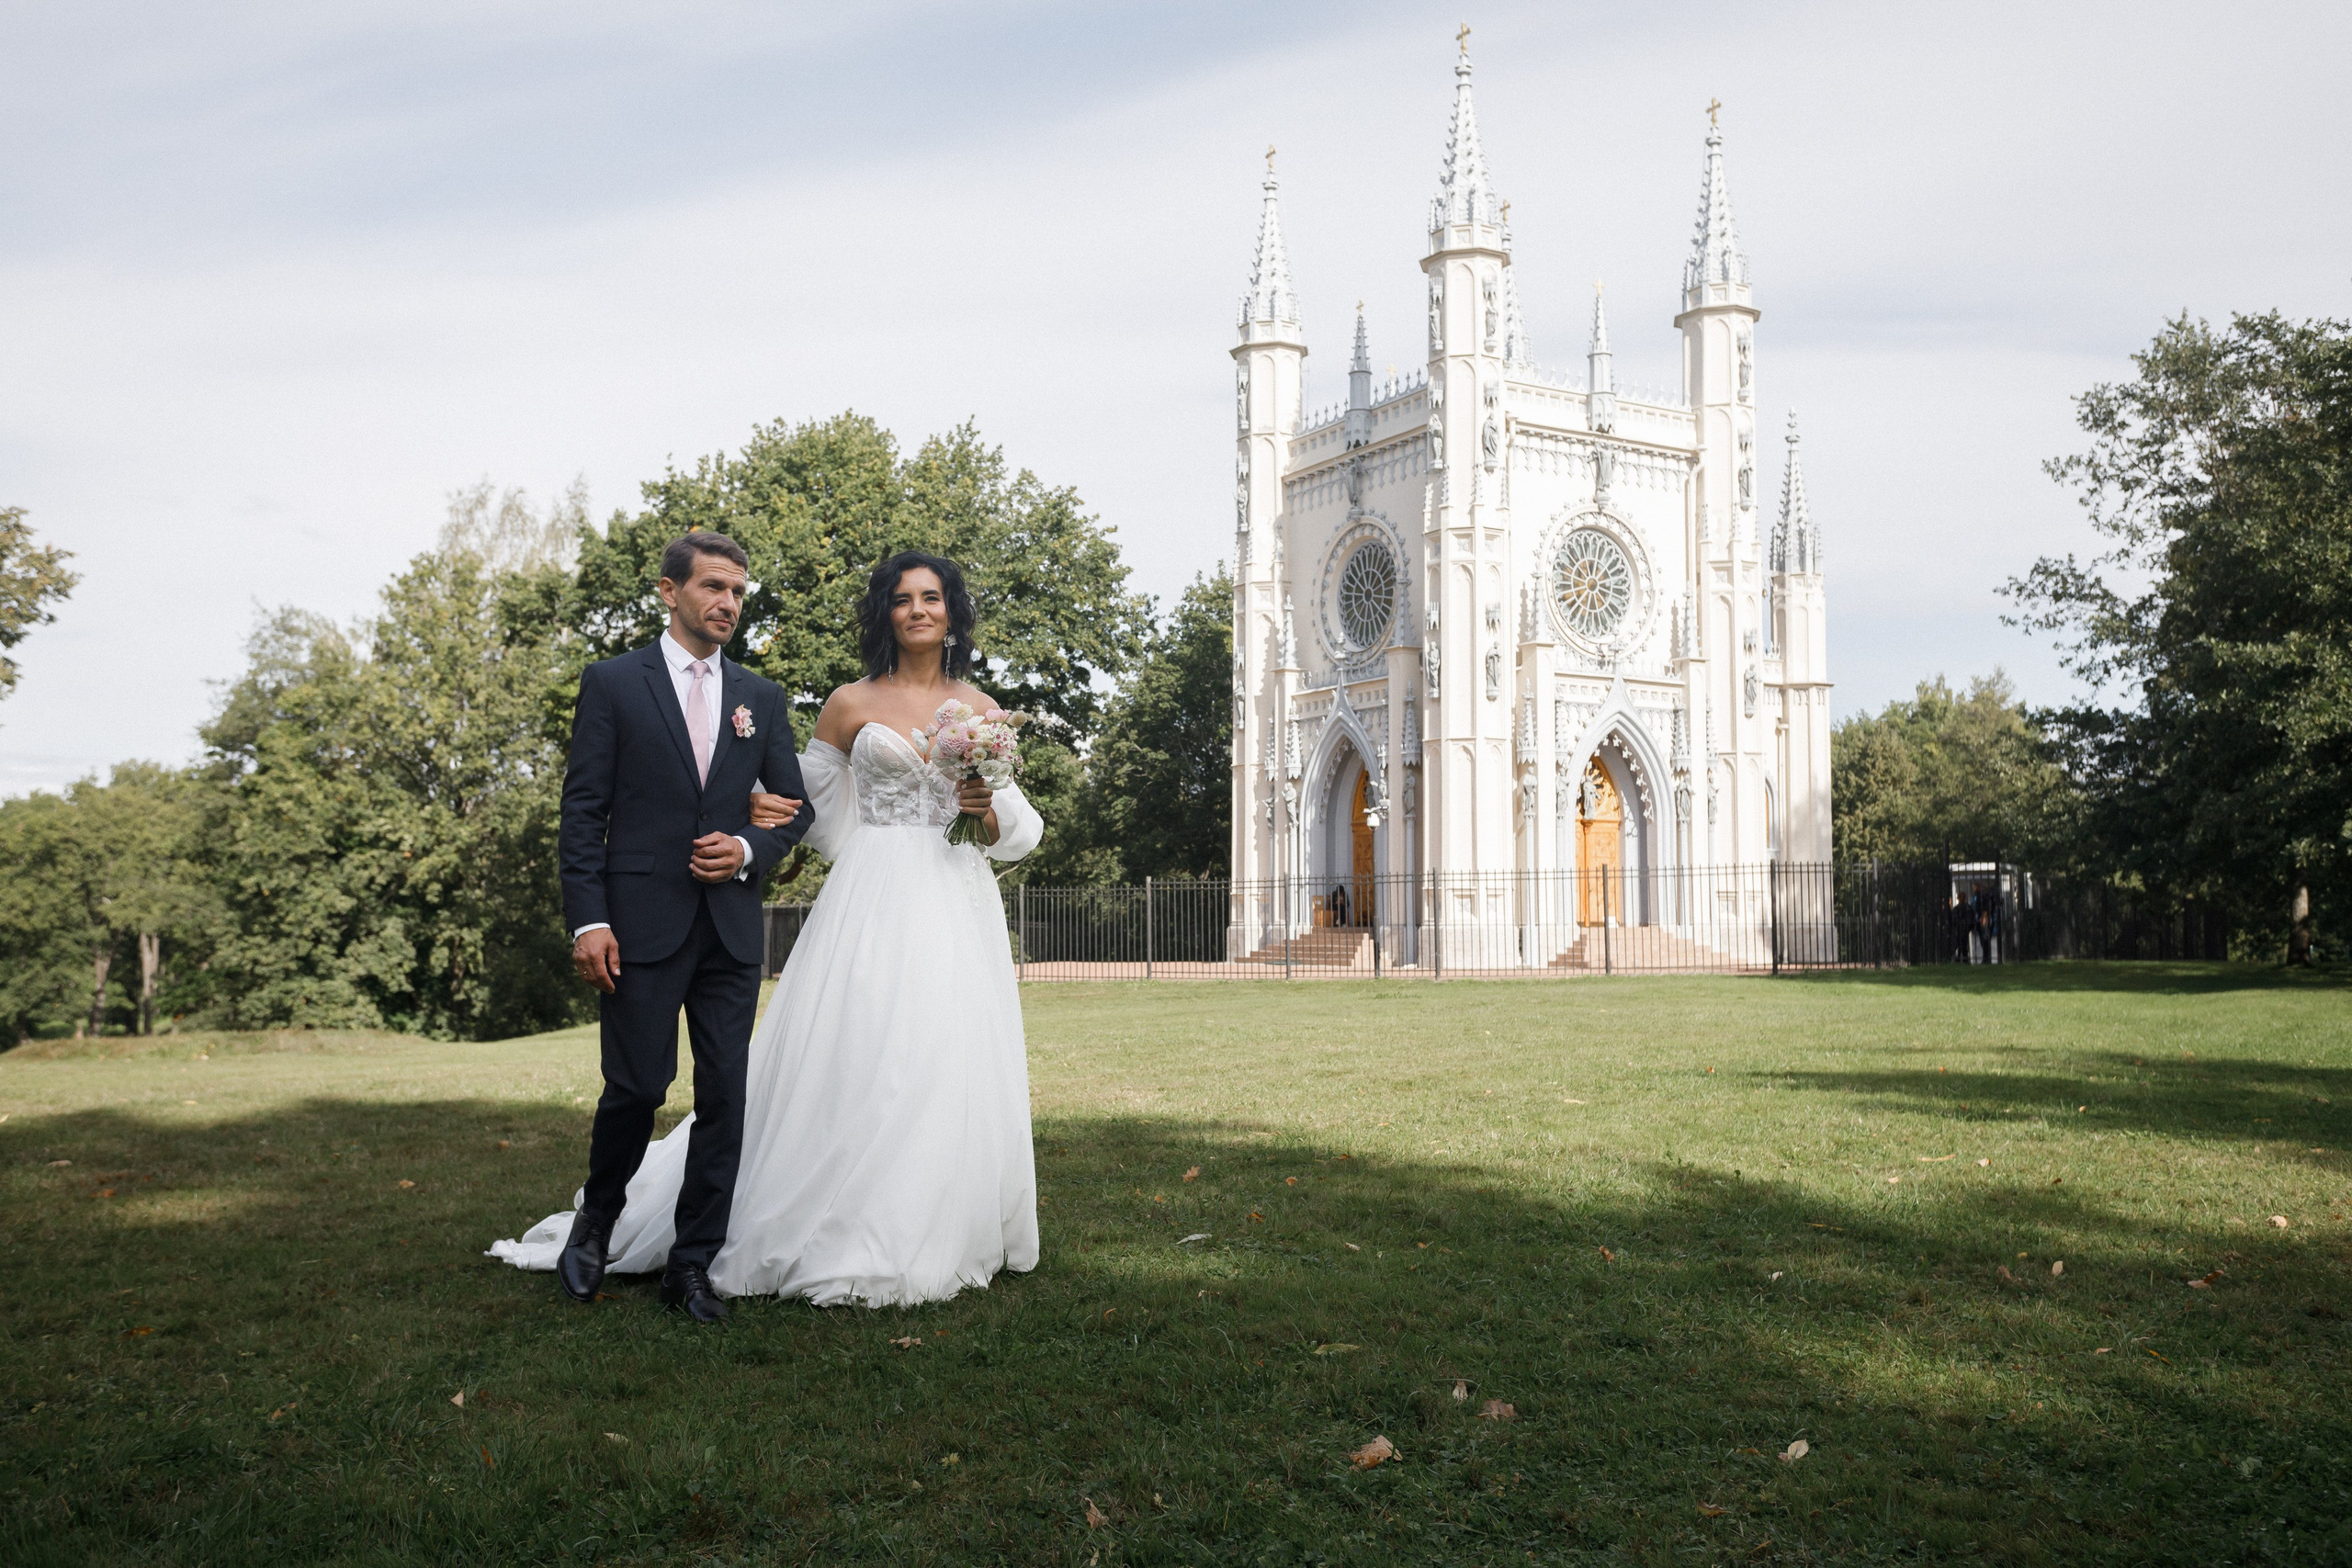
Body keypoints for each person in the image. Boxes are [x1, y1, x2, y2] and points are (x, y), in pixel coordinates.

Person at [493, 551, 1043, 1310]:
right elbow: (803, 802)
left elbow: (1003, 827)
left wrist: (980, 809)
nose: (918, 609)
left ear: (951, 610)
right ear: (885, 611)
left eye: (932, 597)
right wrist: (752, 817)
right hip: (869, 892)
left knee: (928, 1058)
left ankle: (900, 1224)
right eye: (902, 598)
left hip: (950, 899)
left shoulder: (974, 708)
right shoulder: (846, 701)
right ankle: (611, 1224)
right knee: (812, 1058)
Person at [517, 532, 816, 1324]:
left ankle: (692, 1263)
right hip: (638, 924)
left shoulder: (761, 696)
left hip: (730, 930)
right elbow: (583, 812)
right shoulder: (614, 683)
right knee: (637, 1086)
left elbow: (796, 809)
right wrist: (589, 919)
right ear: (668, 590)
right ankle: (596, 1222)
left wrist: (747, 848)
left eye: (739, 591)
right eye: (714, 586)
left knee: (725, 1098)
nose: (729, 603)